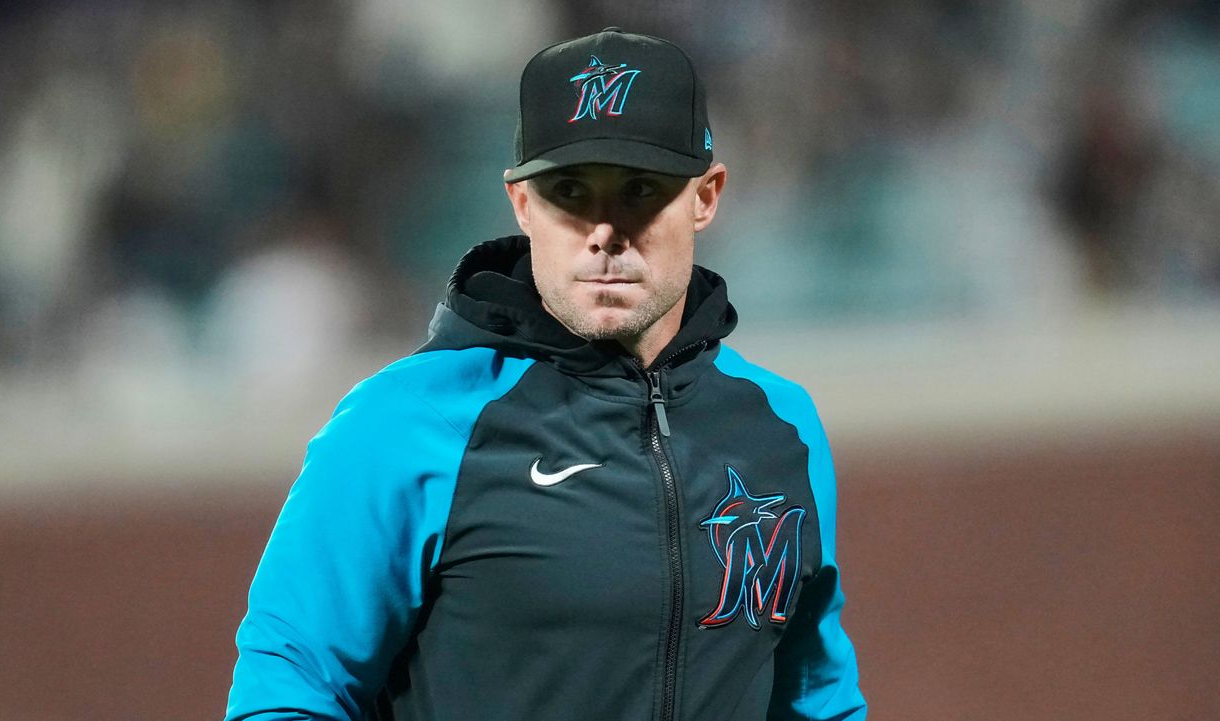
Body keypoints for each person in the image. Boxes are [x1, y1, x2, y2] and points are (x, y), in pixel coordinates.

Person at [224, 27, 866, 721]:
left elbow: (815, 696)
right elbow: (289, 685)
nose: (604, 230)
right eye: (570, 191)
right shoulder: (405, 423)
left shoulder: (780, 428)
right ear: (523, 204)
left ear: (705, 197)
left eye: (640, 189)